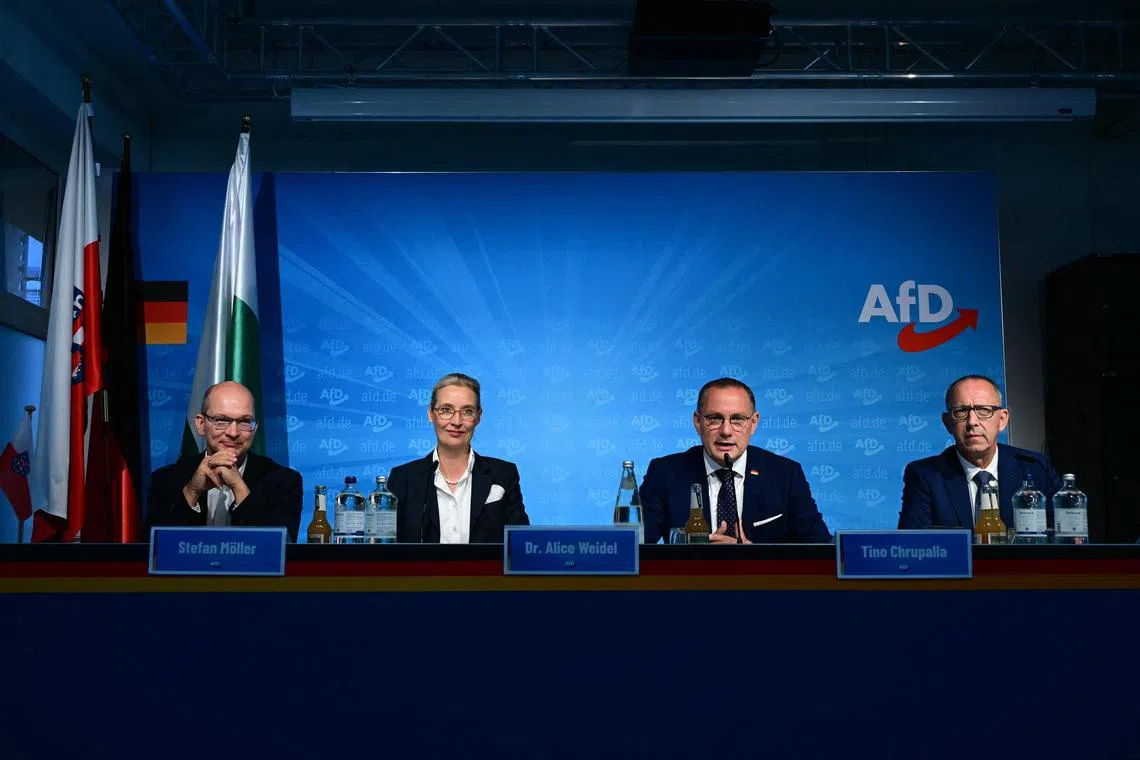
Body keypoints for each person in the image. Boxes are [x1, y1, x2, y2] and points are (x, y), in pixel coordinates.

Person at [641, 377, 832, 544]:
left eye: (737, 419)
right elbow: (632, 546)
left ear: (753, 423)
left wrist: (748, 556)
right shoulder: (665, 473)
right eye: (715, 419)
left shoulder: (785, 475)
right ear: (698, 422)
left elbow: (822, 551)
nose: (726, 431)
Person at [898, 374, 1063, 531]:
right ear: (948, 423)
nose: (972, 422)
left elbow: (1063, 536)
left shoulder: (1035, 468)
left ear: (1002, 419)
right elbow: (914, 547)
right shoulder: (925, 476)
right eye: (961, 411)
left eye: (984, 410)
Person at [146, 381, 303, 541]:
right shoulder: (165, 479)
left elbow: (279, 550)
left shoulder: (284, 481)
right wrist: (192, 491)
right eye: (221, 420)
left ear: (255, 428)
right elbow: (157, 549)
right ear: (201, 424)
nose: (233, 432)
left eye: (244, 422)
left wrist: (239, 487)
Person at [390, 373, 529, 543]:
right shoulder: (403, 478)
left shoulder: (503, 474)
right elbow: (390, 551)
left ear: (478, 416)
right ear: (431, 414)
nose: (456, 421)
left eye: (467, 411)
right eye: (446, 410)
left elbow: (522, 545)